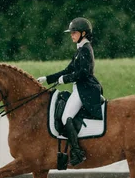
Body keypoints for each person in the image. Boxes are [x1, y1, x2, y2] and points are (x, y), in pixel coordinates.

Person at [37, 17, 103, 166]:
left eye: (74, 32)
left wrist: (65, 79)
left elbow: (83, 73)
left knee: (66, 116)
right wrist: (48, 78)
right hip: (79, 88)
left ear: (83, 33)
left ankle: (77, 152)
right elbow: (68, 70)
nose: (71, 35)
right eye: (71, 33)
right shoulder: (80, 49)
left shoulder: (86, 49)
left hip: (85, 89)